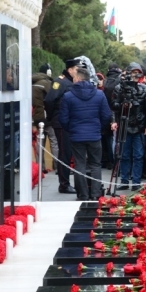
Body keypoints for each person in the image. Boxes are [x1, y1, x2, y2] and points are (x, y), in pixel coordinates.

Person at [58, 67, 112, 201]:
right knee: (95, 164)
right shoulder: (99, 94)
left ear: (77, 78)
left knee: (79, 164)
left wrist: (71, 129)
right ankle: (95, 194)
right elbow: (106, 115)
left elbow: (63, 118)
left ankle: (82, 194)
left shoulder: (68, 96)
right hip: (94, 134)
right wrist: (99, 128)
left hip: (76, 135)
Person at [111, 63, 146, 191]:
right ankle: (123, 180)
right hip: (124, 124)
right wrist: (114, 120)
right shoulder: (119, 88)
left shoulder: (144, 89)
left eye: (137, 72)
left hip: (139, 126)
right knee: (123, 154)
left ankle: (136, 181)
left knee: (139, 155)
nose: (135, 75)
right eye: (133, 72)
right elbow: (113, 107)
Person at [44, 58, 83, 194]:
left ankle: (67, 181)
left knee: (68, 153)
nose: (78, 72)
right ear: (70, 70)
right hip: (61, 123)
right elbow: (49, 100)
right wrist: (52, 117)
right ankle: (64, 184)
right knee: (64, 154)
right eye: (77, 70)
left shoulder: (71, 81)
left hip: (70, 122)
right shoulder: (60, 82)